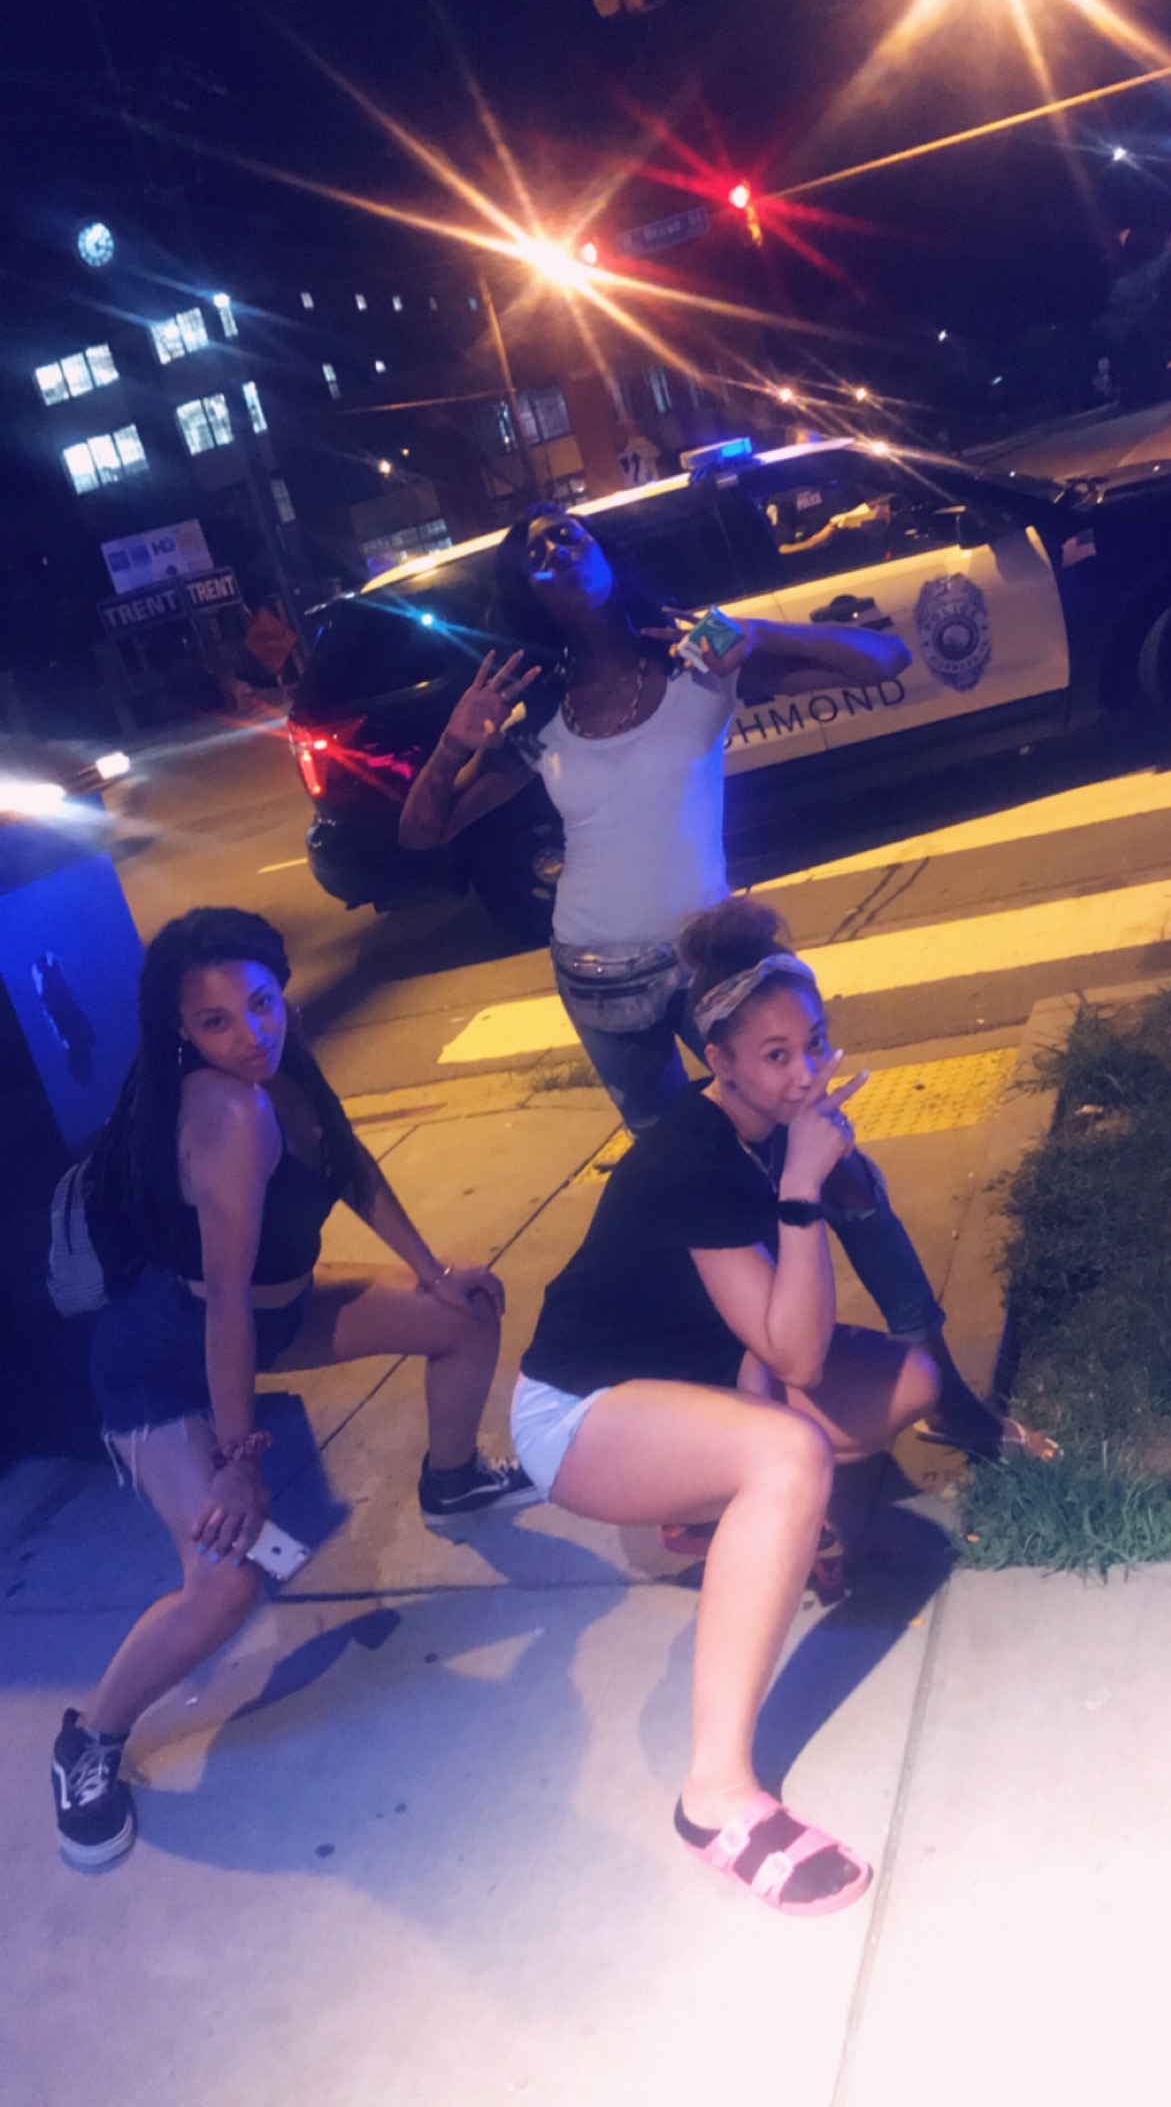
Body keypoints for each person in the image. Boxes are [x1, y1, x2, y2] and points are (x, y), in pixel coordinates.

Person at [398, 504, 1055, 1466]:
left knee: (839, 1168)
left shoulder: (696, 661)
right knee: (699, 1194)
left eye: (567, 532)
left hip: (713, 972)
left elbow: (883, 661)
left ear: (603, 552)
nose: (555, 549)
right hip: (597, 985)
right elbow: (420, 832)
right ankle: (757, 1408)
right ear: (525, 592)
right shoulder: (541, 715)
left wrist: (758, 633)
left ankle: (945, 1390)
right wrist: (457, 744)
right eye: (533, 552)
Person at [52, 906, 527, 1870]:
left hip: (275, 1315)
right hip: (165, 1357)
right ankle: (90, 1740)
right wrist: (238, 1462)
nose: (250, 1034)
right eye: (216, 1021)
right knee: (225, 1583)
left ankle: (452, 1479)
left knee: (464, 1316)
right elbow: (225, 1304)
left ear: (283, 993)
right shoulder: (225, 1112)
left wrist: (432, 1271)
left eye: (261, 1003)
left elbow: (347, 1163)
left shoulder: (284, 1060)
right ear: (179, 1030)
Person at [510, 899, 941, 1918]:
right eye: (777, 1056)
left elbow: (784, 1325)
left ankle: (735, 1516)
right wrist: (801, 1191)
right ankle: (715, 1800)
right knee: (789, 1457)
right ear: (721, 1063)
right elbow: (796, 1349)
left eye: (816, 1043)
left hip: (692, 1381)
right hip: (580, 1414)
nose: (805, 1073)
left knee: (910, 1383)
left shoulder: (781, 1134)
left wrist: (831, 1171)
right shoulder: (692, 1156)